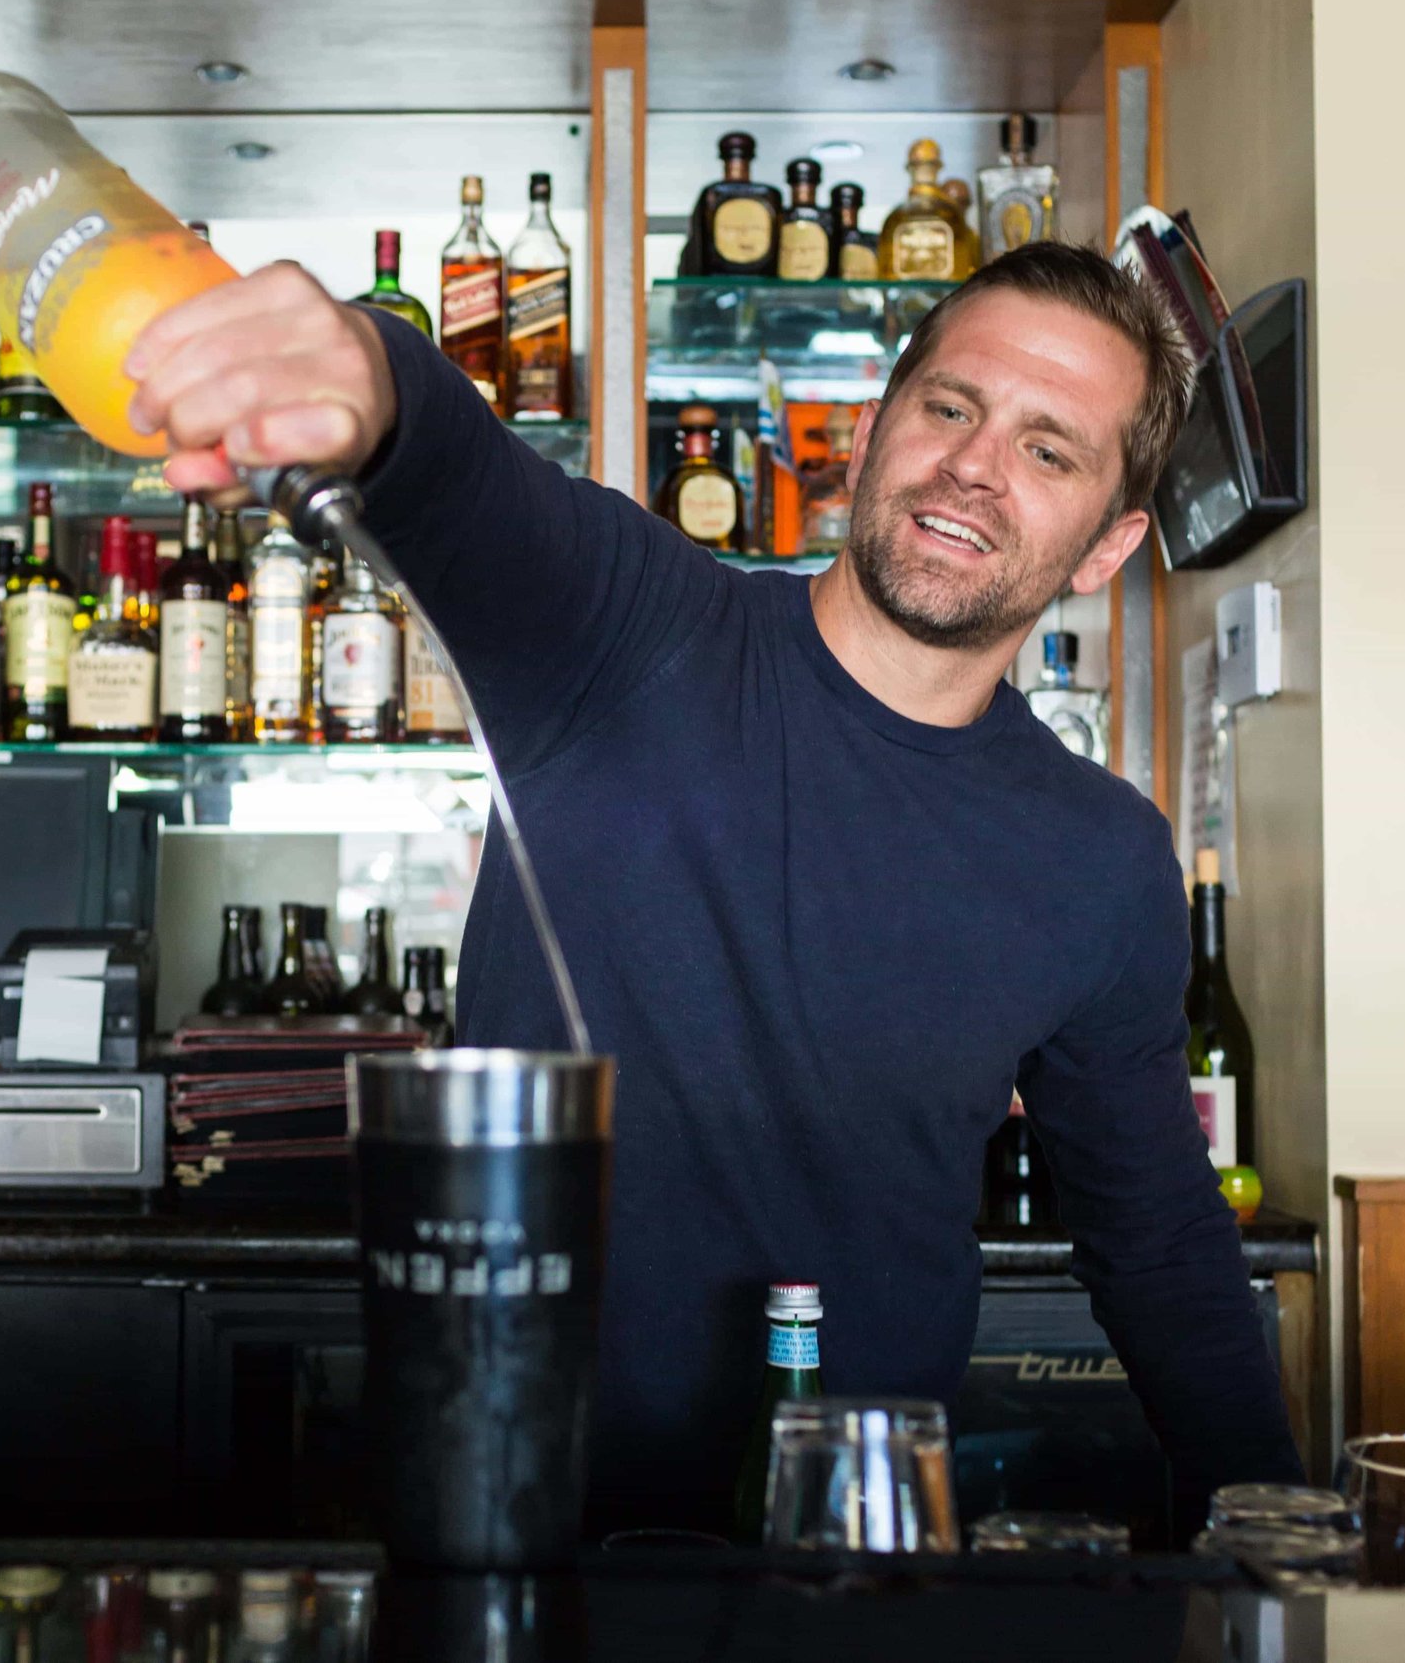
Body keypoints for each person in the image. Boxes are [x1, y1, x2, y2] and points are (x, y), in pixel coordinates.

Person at [125, 240, 1305, 1532]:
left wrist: (1287, 1536)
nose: (973, 464)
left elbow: (1161, 1242)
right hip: (507, 1523)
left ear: (1106, 545)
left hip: (848, 1547)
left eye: (1048, 449)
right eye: (951, 407)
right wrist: (367, 371)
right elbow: (461, 475)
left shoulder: (1098, 855)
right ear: (870, 434)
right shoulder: (633, 630)